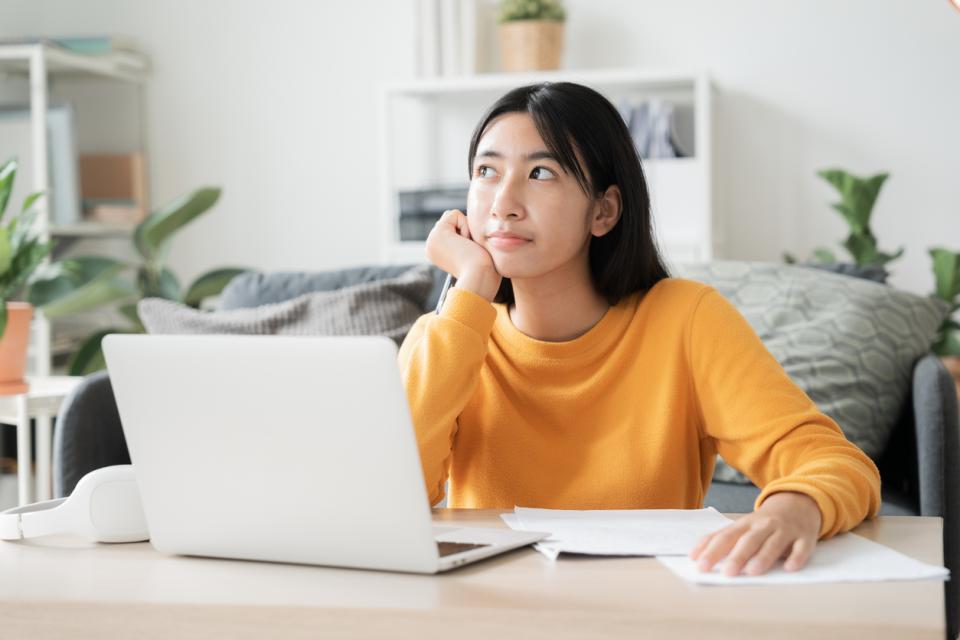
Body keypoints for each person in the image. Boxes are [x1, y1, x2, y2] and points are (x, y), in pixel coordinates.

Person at [397, 81, 880, 577]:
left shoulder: (686, 321)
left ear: (604, 210)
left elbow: (833, 462)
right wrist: (470, 288)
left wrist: (791, 510)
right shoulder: (448, 335)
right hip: (493, 608)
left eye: (540, 172)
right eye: (486, 171)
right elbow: (393, 498)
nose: (503, 202)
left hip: (650, 605)